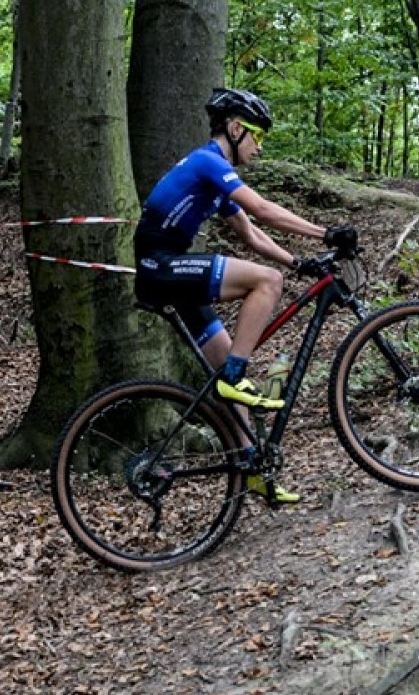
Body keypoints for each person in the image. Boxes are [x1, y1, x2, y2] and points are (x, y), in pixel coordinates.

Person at [135, 87, 357, 502]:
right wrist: (326, 233)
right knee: (265, 283)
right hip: (160, 266)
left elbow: (250, 232)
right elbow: (264, 210)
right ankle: (237, 376)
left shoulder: (212, 176)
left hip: (170, 267)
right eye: (258, 136)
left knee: (225, 376)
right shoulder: (208, 162)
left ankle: (251, 469)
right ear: (236, 129)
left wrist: (297, 261)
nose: (259, 147)